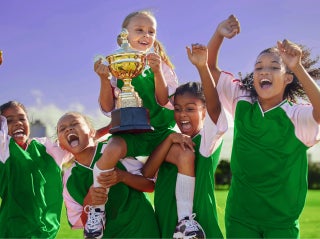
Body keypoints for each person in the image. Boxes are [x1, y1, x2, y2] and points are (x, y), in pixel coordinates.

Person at [207, 15, 320, 238]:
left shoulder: (296, 116)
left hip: (281, 222)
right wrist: (219, 34)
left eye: (274, 67)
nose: (264, 71)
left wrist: (297, 68)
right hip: (240, 216)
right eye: (258, 67)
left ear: (288, 78)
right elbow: (209, 67)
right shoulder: (241, 99)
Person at [90, 10, 178, 238]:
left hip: (160, 130)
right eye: (139, 30)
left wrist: (158, 71)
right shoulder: (115, 64)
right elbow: (108, 108)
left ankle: (185, 217)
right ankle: (97, 211)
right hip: (133, 130)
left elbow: (163, 100)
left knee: (184, 156)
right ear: (124, 35)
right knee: (111, 149)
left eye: (151, 31)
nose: (146, 35)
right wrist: (103, 78)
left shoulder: (162, 66)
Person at [142, 43, 228, 239]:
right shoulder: (171, 140)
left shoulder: (207, 140)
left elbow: (216, 109)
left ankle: (186, 220)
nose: (182, 115)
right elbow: (147, 173)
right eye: (178, 109)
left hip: (198, 224)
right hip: (166, 220)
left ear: (204, 111)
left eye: (190, 109)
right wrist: (170, 139)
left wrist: (202, 67)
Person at [58, 111, 160, 238]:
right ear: (61, 145)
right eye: (62, 129)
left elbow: (150, 185)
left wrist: (123, 176)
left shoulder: (114, 150)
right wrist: (88, 201)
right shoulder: (69, 179)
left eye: (75, 123)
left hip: (141, 230)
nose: (69, 129)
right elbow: (79, 222)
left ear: (91, 132)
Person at [0, 100, 72, 238]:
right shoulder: (4, 150)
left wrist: (110, 128)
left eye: (22, 118)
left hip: (47, 234)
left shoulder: (47, 148)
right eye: (9, 120)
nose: (18, 123)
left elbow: (82, 143)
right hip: (13, 233)